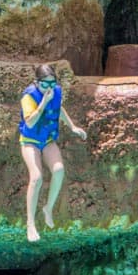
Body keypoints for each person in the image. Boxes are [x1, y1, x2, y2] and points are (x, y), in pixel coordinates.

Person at [19, 64, 87, 242]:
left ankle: (48, 208)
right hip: (30, 141)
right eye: (45, 85)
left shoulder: (55, 91)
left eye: (52, 84)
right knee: (37, 177)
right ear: (36, 82)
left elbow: (58, 109)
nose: (49, 88)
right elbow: (31, 123)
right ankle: (30, 223)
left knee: (58, 170)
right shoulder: (28, 97)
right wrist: (43, 103)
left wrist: (72, 126)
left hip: (47, 140)